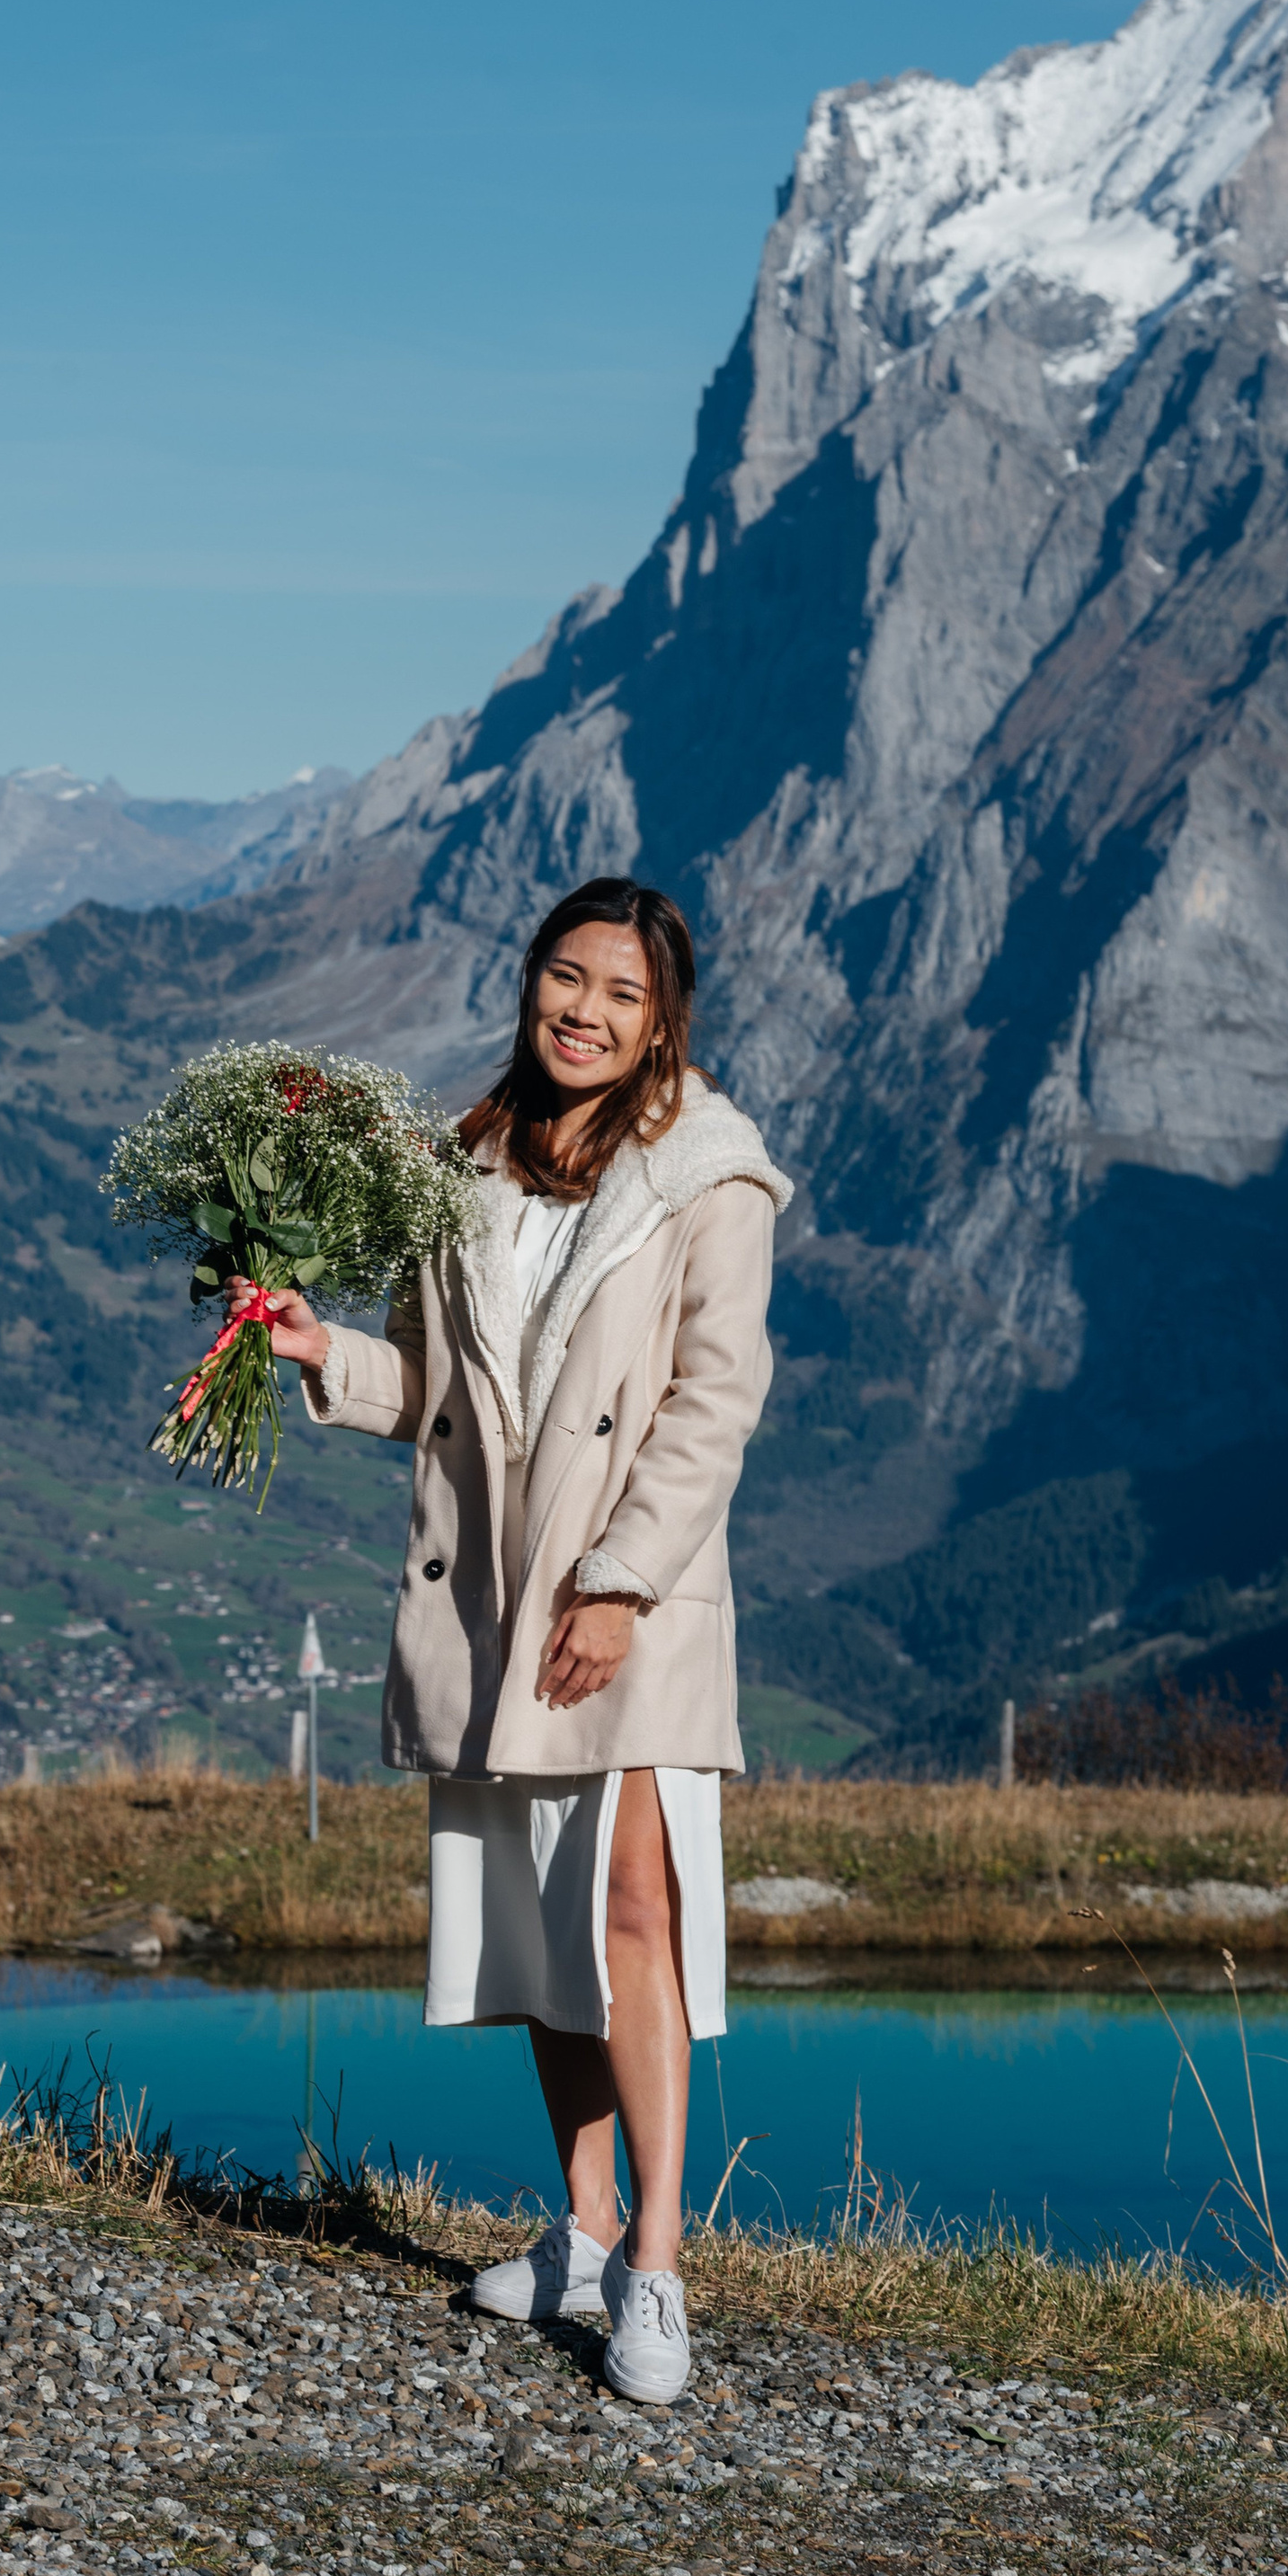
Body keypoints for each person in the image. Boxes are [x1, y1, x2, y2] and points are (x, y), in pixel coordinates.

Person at [231, 877, 788, 2403]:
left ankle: (659, 2268)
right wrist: (315, 1350)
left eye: (620, 989)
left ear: (665, 1017)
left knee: (631, 1916)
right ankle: (587, 2229)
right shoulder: (467, 1161)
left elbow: (714, 1400)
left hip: (631, 1606)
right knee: (546, 1939)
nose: (586, 1010)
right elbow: (434, 1386)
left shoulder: (712, 1174)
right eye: (566, 975)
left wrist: (618, 1580)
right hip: (496, 1599)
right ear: (530, 983)